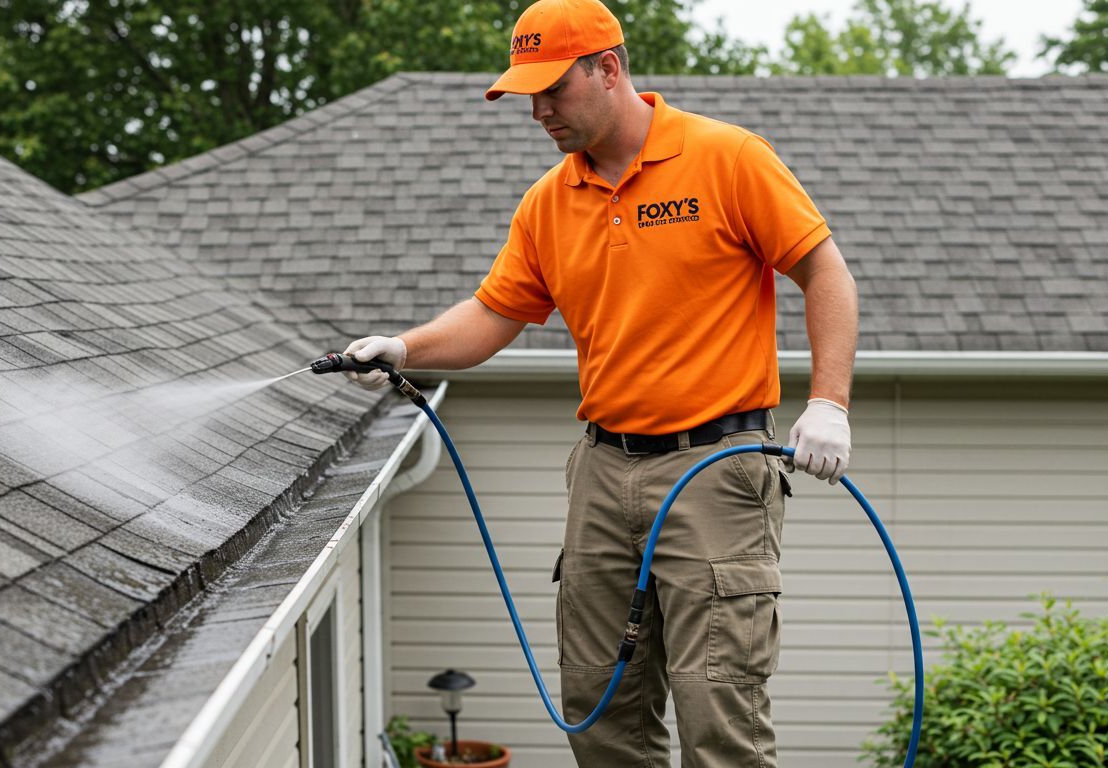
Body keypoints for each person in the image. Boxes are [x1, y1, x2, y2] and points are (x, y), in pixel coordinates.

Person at [344, 0, 857, 764]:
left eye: (553, 89)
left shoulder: (728, 159)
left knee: (719, 711)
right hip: (602, 470)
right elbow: (494, 314)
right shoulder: (550, 203)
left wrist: (828, 403)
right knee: (600, 707)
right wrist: (403, 346)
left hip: (714, 468)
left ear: (608, 68)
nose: (539, 110)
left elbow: (826, 271)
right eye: (527, 95)